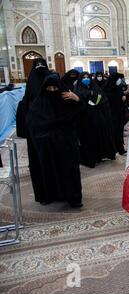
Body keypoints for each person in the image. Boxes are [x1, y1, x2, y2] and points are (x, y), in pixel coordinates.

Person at [25, 74, 83, 208]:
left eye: (55, 88)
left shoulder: (67, 101)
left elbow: (83, 114)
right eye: (49, 88)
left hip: (67, 145)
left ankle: (72, 197)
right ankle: (52, 195)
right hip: (47, 146)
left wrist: (78, 99)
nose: (52, 91)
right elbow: (32, 124)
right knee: (50, 172)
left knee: (69, 172)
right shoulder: (38, 104)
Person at [16, 58, 50, 204]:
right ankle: (43, 194)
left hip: (53, 131)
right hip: (36, 132)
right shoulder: (28, 98)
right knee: (39, 163)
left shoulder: (51, 84)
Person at [74, 72, 116, 168]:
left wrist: (94, 99)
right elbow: (77, 103)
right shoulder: (78, 90)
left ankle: (99, 155)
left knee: (99, 136)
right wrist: (89, 95)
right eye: (83, 78)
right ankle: (90, 158)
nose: (86, 79)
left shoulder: (95, 87)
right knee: (88, 139)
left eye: (87, 77)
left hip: (97, 117)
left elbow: (102, 99)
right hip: (84, 120)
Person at [103, 72, 127, 155]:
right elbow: (107, 100)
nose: (119, 80)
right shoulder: (106, 89)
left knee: (119, 132)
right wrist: (120, 98)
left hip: (119, 114)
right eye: (118, 79)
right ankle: (113, 149)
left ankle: (120, 148)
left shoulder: (118, 88)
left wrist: (123, 97)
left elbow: (122, 99)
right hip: (111, 115)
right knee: (113, 132)